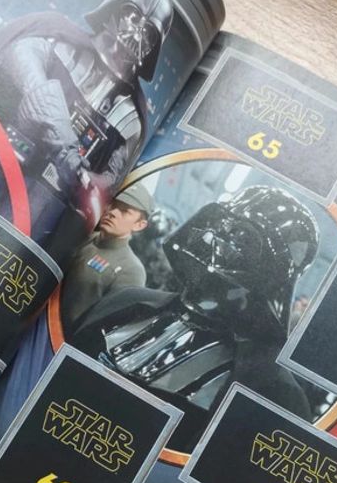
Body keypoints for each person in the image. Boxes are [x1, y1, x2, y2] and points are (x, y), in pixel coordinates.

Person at [0, 0, 173, 265]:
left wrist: (87, 181)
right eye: (132, 16)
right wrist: (65, 144)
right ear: (115, 8)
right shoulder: (54, 39)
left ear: (154, 43)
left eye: (148, 31)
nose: (137, 33)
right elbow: (30, 76)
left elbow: (108, 181)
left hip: (39, 201)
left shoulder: (132, 118)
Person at [72, 185, 320, 450]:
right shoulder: (126, 303)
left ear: (274, 270)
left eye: (243, 236)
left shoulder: (274, 393)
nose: (219, 238)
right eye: (224, 224)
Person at [61, 183, 152, 332]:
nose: (113, 212)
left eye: (125, 211)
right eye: (113, 204)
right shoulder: (85, 236)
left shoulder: (131, 269)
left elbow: (110, 326)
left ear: (139, 225)